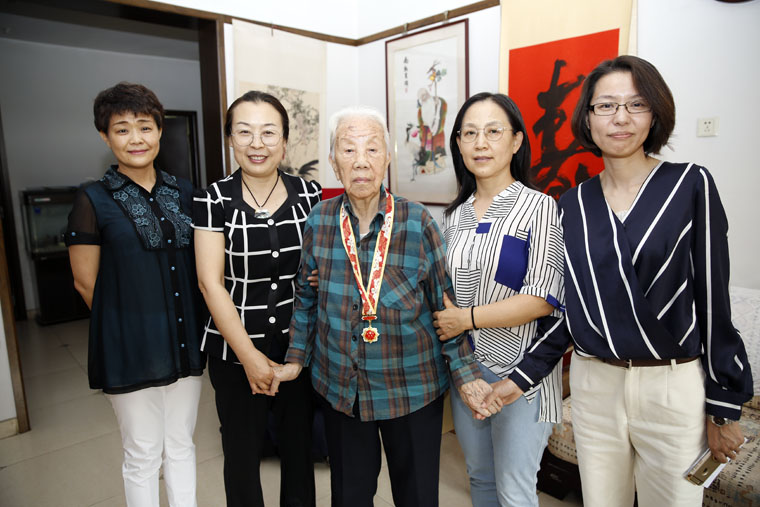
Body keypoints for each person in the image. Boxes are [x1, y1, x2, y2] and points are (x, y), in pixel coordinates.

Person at [485, 55, 754, 506]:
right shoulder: (571, 205)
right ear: (588, 118)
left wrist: (723, 406)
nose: (621, 118)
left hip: (671, 385)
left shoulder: (690, 185)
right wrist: (521, 377)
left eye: (636, 104)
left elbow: (713, 301)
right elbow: (569, 308)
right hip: (594, 383)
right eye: (606, 105)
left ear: (656, 113)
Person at [273, 106, 499, 507]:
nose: (361, 161)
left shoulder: (417, 222)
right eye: (348, 150)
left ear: (388, 157)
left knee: (417, 497)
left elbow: (444, 307)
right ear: (333, 161)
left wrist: (466, 376)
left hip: (411, 387)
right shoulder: (320, 220)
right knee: (350, 496)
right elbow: (306, 297)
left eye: (372, 149)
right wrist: (295, 358)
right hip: (341, 388)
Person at [67, 82, 206, 507]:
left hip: (183, 340)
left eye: (145, 127)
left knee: (180, 443)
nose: (136, 139)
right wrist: (127, 329)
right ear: (105, 137)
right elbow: (85, 282)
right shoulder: (93, 198)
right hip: (129, 347)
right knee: (143, 452)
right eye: (122, 129)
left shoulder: (185, 191)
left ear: (159, 131)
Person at [432, 92, 565, 507]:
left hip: (522, 373)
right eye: (469, 133)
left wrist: (467, 318)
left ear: (516, 140)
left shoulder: (541, 208)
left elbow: (543, 299)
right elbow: (443, 295)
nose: (480, 143)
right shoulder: (453, 217)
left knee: (514, 489)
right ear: (458, 143)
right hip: (467, 371)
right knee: (481, 478)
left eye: (493, 131)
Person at [193, 90, 320, 507]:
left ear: (285, 140)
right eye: (244, 132)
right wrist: (248, 356)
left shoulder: (310, 195)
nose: (256, 143)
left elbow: (317, 270)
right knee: (241, 456)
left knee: (299, 451)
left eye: (268, 132)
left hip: (298, 349)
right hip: (234, 350)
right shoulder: (213, 199)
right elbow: (210, 284)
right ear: (230, 138)